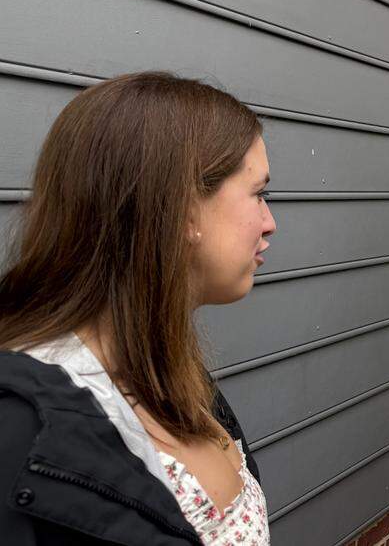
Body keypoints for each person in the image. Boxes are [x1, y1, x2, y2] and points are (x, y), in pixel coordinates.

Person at [0, 72, 276, 545]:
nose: (269, 223)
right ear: (184, 207)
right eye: (258, 193)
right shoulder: (22, 430)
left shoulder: (173, 374)